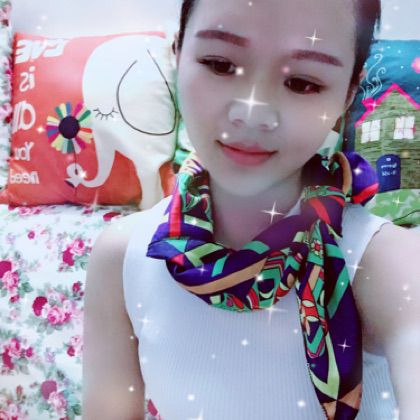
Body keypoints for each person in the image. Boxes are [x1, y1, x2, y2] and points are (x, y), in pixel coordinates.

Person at [82, 0, 420, 418]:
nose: (251, 112)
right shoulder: (122, 258)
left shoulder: (388, 264)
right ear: (177, 54)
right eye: (220, 64)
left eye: (302, 83)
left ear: (348, 94)